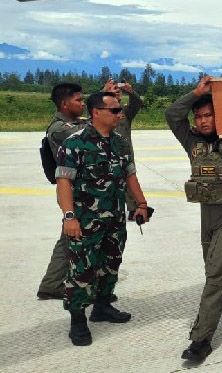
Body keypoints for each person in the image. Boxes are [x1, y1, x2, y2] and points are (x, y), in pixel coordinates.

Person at [166, 76, 222, 363]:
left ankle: (200, 339)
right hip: (208, 213)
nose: (204, 121)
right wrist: (196, 93)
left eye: (209, 115)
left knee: (215, 274)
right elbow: (172, 115)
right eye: (199, 117)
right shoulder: (191, 140)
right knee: (218, 265)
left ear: (220, 116)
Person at [56, 91, 150, 346]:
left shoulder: (119, 142)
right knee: (82, 270)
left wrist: (141, 203)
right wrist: (69, 217)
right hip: (85, 221)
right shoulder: (75, 143)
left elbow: (130, 175)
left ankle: (102, 306)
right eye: (115, 110)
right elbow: (63, 182)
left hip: (115, 219)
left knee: (111, 264)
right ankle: (77, 321)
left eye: (120, 110)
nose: (120, 114)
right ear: (96, 112)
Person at [37, 82, 87, 300]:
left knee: (75, 237)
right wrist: (103, 104)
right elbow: (87, 135)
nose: (83, 104)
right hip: (73, 190)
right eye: (79, 100)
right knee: (70, 237)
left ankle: (53, 283)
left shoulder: (73, 123)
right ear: (65, 104)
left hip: (82, 189)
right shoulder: (59, 129)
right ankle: (53, 283)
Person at [102, 78, 143, 215]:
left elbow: (137, 104)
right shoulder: (100, 110)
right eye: (114, 91)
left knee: (130, 179)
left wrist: (131, 92)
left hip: (124, 152)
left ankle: (133, 209)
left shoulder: (125, 111)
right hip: (105, 151)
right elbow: (90, 113)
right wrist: (103, 93)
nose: (117, 94)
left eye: (119, 91)